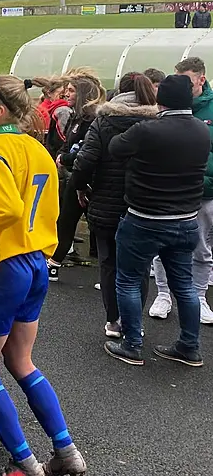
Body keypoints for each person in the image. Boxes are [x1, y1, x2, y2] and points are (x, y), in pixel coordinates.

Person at [0, 75, 85, 476]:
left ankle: (25, 463)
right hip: (36, 261)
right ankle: (65, 449)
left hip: (5, 266)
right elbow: (49, 209)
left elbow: (4, 210)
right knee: (21, 361)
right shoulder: (37, 150)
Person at [104, 75, 209, 368]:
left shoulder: (147, 130)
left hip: (144, 219)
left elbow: (115, 147)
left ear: (160, 99)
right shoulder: (202, 131)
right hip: (186, 219)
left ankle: (132, 343)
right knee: (185, 286)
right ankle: (190, 346)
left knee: (128, 280)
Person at [69, 72, 158, 338]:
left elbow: (85, 160)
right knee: (138, 266)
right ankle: (133, 323)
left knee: (109, 263)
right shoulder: (155, 121)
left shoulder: (105, 121)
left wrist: (80, 187)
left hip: (106, 202)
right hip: (143, 204)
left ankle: (114, 320)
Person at [150, 57, 213, 324]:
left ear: (201, 79)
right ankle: (163, 294)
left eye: (188, 82)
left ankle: (199, 297)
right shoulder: (168, 108)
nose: (184, 88)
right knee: (162, 246)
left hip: (204, 192)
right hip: (171, 193)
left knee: (201, 248)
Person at [47, 71, 106, 280]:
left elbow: (86, 150)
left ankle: (108, 272)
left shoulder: (93, 119)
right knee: (66, 219)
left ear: (82, 93)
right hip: (76, 175)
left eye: (71, 91)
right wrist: (63, 155)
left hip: (90, 177)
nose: (67, 94)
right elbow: (67, 146)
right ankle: (54, 263)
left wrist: (66, 158)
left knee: (97, 225)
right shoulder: (76, 117)